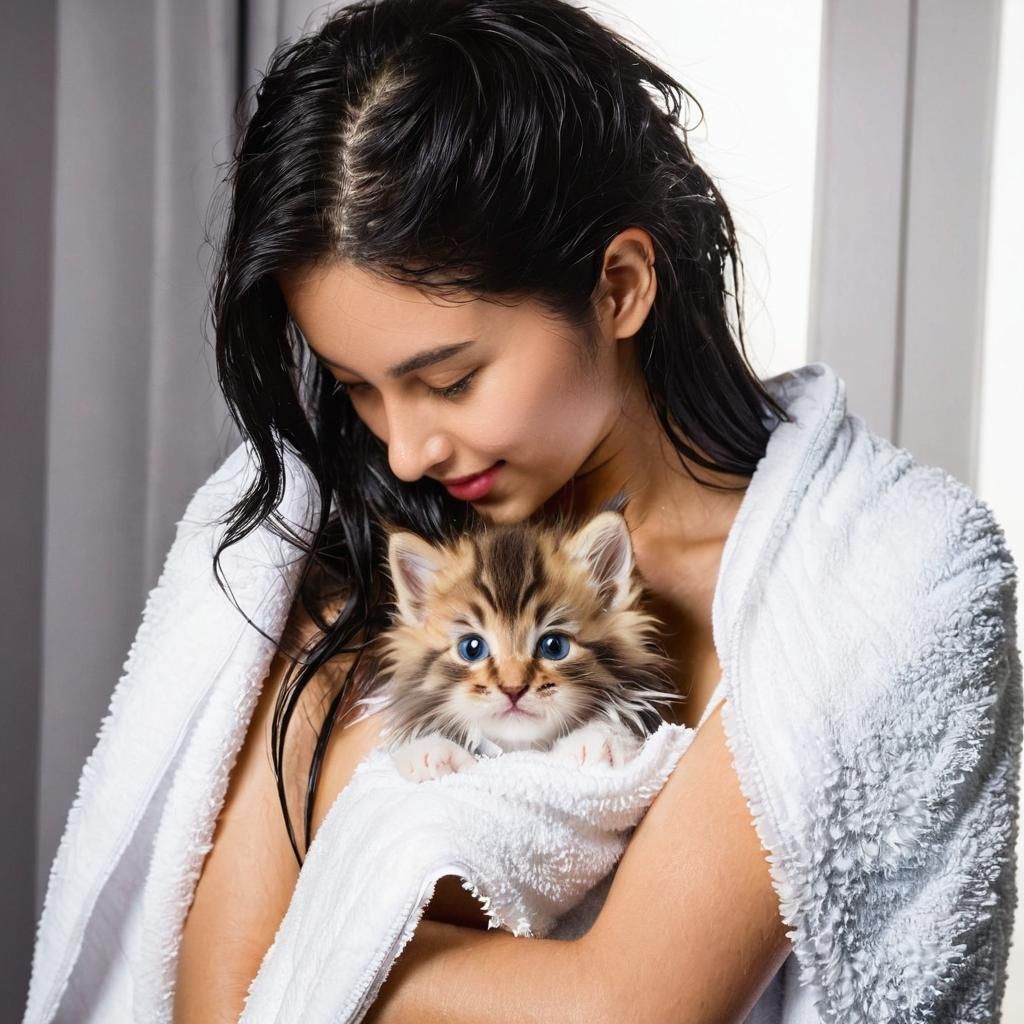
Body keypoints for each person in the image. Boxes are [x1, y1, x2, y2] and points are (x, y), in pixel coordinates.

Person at [25, 1, 1020, 1022]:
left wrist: (326, 938)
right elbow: (215, 1002)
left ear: (619, 286)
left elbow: (625, 1009)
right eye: (359, 388)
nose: (404, 450)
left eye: (448, 380)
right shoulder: (354, 551)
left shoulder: (853, 593)